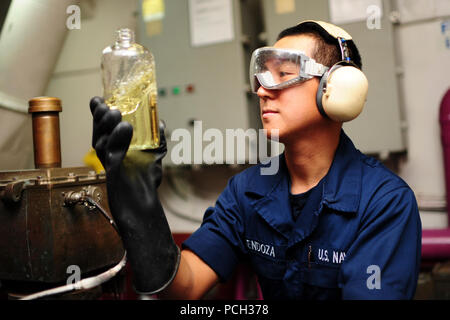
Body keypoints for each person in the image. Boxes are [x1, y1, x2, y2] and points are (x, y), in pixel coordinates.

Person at [89, 20, 421, 300]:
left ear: (337, 89)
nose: (262, 90)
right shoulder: (248, 191)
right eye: (261, 76)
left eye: (282, 73)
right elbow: (184, 285)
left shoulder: (384, 203)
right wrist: (138, 208)